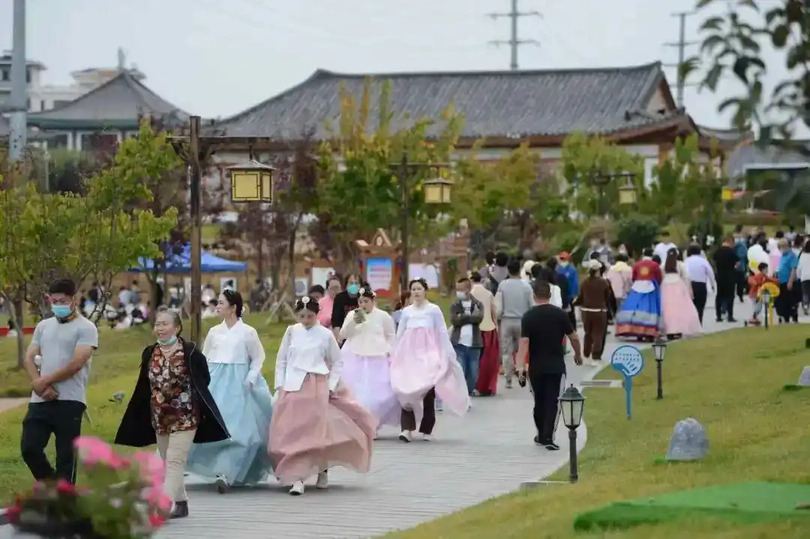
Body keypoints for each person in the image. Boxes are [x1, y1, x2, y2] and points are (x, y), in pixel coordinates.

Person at [115, 308, 229, 519]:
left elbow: (204, 378)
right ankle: (181, 502)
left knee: (176, 461)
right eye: (157, 324)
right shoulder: (150, 353)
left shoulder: (190, 352)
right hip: (159, 417)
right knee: (168, 462)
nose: (160, 328)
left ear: (177, 328)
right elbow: (145, 383)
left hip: (185, 416)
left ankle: (162, 506)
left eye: (165, 324)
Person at [270, 296, 376, 496]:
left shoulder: (325, 335)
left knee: (318, 431)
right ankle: (297, 476)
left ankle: (321, 470)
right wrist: (280, 384)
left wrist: (330, 386)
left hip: (317, 385)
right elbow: (281, 360)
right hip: (293, 386)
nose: (305, 320)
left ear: (316, 314)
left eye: (310, 316)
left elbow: (337, 362)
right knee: (293, 431)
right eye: (302, 316)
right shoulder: (291, 332)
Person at [186, 290, 274, 493]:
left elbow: (258, 358)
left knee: (240, 431)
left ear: (233, 307)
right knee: (211, 425)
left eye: (221, 303)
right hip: (216, 381)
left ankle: (227, 472)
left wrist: (251, 378)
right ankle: (212, 468)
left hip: (239, 383)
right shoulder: (214, 332)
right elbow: (205, 357)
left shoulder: (248, 332)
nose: (217, 306)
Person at [21, 279, 99, 486]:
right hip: (41, 400)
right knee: (29, 448)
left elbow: (77, 362)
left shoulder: (86, 328)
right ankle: (54, 488)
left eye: (62, 301)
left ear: (73, 299)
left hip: (70, 400)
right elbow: (29, 357)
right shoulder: (43, 326)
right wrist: (39, 385)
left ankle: (64, 498)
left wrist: (44, 381)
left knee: (66, 457)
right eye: (54, 301)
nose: (58, 305)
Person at [390, 278, 469, 443]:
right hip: (409, 355)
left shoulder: (433, 310)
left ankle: (427, 428)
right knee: (406, 389)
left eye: (419, 289)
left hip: (429, 355)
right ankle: (406, 429)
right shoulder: (407, 312)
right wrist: (395, 353)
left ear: (425, 290)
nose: (416, 292)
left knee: (427, 390)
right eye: (413, 289)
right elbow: (400, 333)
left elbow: (441, 331)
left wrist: (447, 352)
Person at [516, 281, 583, 451]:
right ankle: (547, 436)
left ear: (534, 296)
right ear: (550, 295)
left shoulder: (528, 316)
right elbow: (574, 337)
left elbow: (524, 343)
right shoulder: (560, 315)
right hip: (556, 366)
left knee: (539, 401)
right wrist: (578, 355)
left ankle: (541, 434)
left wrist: (520, 366)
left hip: (536, 367)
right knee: (553, 401)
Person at [339, 287, 400, 433]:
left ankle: (374, 423)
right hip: (356, 357)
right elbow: (343, 334)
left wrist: (390, 351)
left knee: (379, 394)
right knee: (357, 393)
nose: (363, 305)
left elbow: (391, 335)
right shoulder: (353, 315)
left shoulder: (383, 316)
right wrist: (354, 322)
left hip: (377, 358)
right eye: (360, 302)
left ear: (373, 301)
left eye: (366, 301)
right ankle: (362, 424)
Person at [495, 259, 535, 389]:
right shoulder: (526, 286)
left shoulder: (503, 285)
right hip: (522, 321)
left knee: (506, 351)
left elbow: (498, 307)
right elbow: (532, 305)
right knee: (521, 350)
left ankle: (508, 379)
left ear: (508, 270)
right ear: (519, 269)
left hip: (506, 321)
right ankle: (521, 374)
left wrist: (497, 318)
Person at [615, 248, 663, 341]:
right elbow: (659, 278)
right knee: (649, 309)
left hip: (637, 288)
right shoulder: (655, 265)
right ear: (652, 255)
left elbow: (633, 277)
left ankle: (633, 330)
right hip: (650, 289)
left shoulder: (637, 265)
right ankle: (648, 332)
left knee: (633, 308)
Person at [449, 278, 484, 397]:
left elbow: (479, 318)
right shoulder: (455, 305)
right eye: (457, 289)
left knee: (473, 372)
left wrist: (462, 317)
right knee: (460, 371)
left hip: (474, 344)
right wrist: (470, 317)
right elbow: (454, 321)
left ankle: (470, 390)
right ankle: (461, 394)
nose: (458, 292)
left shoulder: (478, 304)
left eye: (460, 289)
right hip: (459, 344)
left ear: (468, 289)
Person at [574, 260, 612, 363]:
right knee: (598, 333)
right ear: (598, 270)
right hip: (599, 311)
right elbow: (607, 297)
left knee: (588, 332)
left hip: (586, 311)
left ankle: (586, 352)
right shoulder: (604, 282)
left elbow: (581, 297)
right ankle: (596, 354)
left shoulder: (584, 282)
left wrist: (575, 303)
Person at [661, 249, 702, 339]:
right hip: (678, 285)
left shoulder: (664, 265)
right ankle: (678, 329)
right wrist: (688, 290)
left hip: (666, 286)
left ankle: (668, 330)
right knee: (679, 308)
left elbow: (661, 276)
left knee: (667, 308)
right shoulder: (680, 264)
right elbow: (686, 277)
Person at [470, 272, 499, 397]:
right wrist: (496, 326)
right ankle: (487, 386)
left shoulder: (469, 294)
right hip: (488, 328)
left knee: (473, 358)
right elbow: (493, 312)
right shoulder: (488, 294)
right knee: (487, 360)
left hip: (473, 329)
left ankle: (473, 385)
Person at [684, 244, 717, 325]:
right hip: (701, 285)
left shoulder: (686, 261)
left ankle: (691, 323)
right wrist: (712, 284)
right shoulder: (703, 261)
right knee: (700, 306)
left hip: (689, 285)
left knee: (690, 306)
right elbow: (710, 273)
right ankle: (699, 322)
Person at [712, 236, 739, 323]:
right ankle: (730, 316)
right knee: (730, 296)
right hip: (730, 276)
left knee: (719, 296)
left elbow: (713, 260)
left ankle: (718, 316)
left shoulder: (718, 251)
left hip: (720, 276)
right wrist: (734, 267)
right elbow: (738, 262)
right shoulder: (732, 252)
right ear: (730, 242)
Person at [775, 238, 799, 323]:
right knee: (783, 302)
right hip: (781, 282)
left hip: (788, 282)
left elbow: (793, 269)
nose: (781, 249)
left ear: (786, 246)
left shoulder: (791, 256)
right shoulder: (782, 256)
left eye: (782, 247)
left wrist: (790, 281)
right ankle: (786, 318)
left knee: (791, 301)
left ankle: (794, 318)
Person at [331, 273, 362, 339]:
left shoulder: (364, 298)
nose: (354, 285)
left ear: (360, 286)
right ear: (346, 285)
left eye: (356, 283)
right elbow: (336, 320)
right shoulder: (339, 298)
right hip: (343, 334)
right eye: (351, 283)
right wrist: (338, 337)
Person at [556, 252, 579, 328]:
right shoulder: (557, 270)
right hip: (559, 296)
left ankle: (573, 328)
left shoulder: (572, 270)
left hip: (569, 296)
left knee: (571, 314)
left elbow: (575, 283)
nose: (563, 260)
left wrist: (574, 295)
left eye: (565, 259)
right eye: (562, 259)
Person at [798, 241, 810, 315]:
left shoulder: (802, 255)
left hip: (805, 276)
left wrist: (799, 276)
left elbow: (799, 267)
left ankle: (805, 305)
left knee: (805, 293)